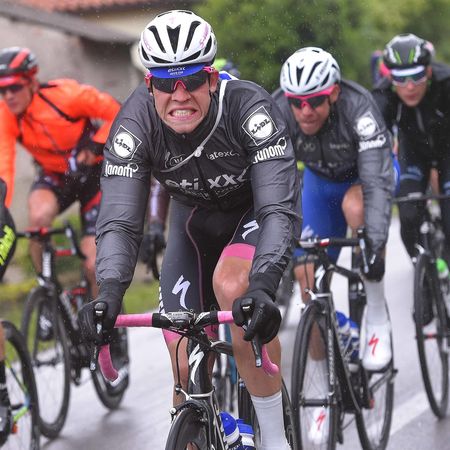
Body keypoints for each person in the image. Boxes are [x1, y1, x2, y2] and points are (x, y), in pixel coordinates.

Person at [78, 9, 300, 449]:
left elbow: (278, 207)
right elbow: (120, 219)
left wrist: (263, 284)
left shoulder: (249, 109)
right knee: (183, 364)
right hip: (192, 224)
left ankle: (276, 438)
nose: (179, 95)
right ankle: (202, 426)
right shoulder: (134, 124)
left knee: (234, 287)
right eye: (166, 83)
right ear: (149, 85)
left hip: (251, 214)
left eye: (192, 80)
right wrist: (109, 292)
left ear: (212, 79)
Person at [0, 47, 120, 296]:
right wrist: (2, 212)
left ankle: (103, 316)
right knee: (37, 219)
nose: (9, 96)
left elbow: (120, 113)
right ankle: (48, 292)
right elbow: (4, 166)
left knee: (94, 265)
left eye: (15, 87)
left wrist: (96, 144)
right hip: (55, 175)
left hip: (94, 176)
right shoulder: (7, 116)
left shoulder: (67, 96)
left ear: (31, 82)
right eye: (2, 90)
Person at [139, 58, 243, 272]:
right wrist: (155, 226)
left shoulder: (239, 117)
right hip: (196, 219)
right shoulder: (171, 127)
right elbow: (161, 180)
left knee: (232, 280)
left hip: (242, 213)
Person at [372, 33, 450, 265]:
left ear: (428, 71)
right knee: (407, 215)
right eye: (400, 78)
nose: (409, 86)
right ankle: (422, 267)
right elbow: (373, 140)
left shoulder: (446, 83)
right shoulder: (383, 95)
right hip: (413, 153)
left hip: (447, 152)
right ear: (390, 77)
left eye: (416, 76)